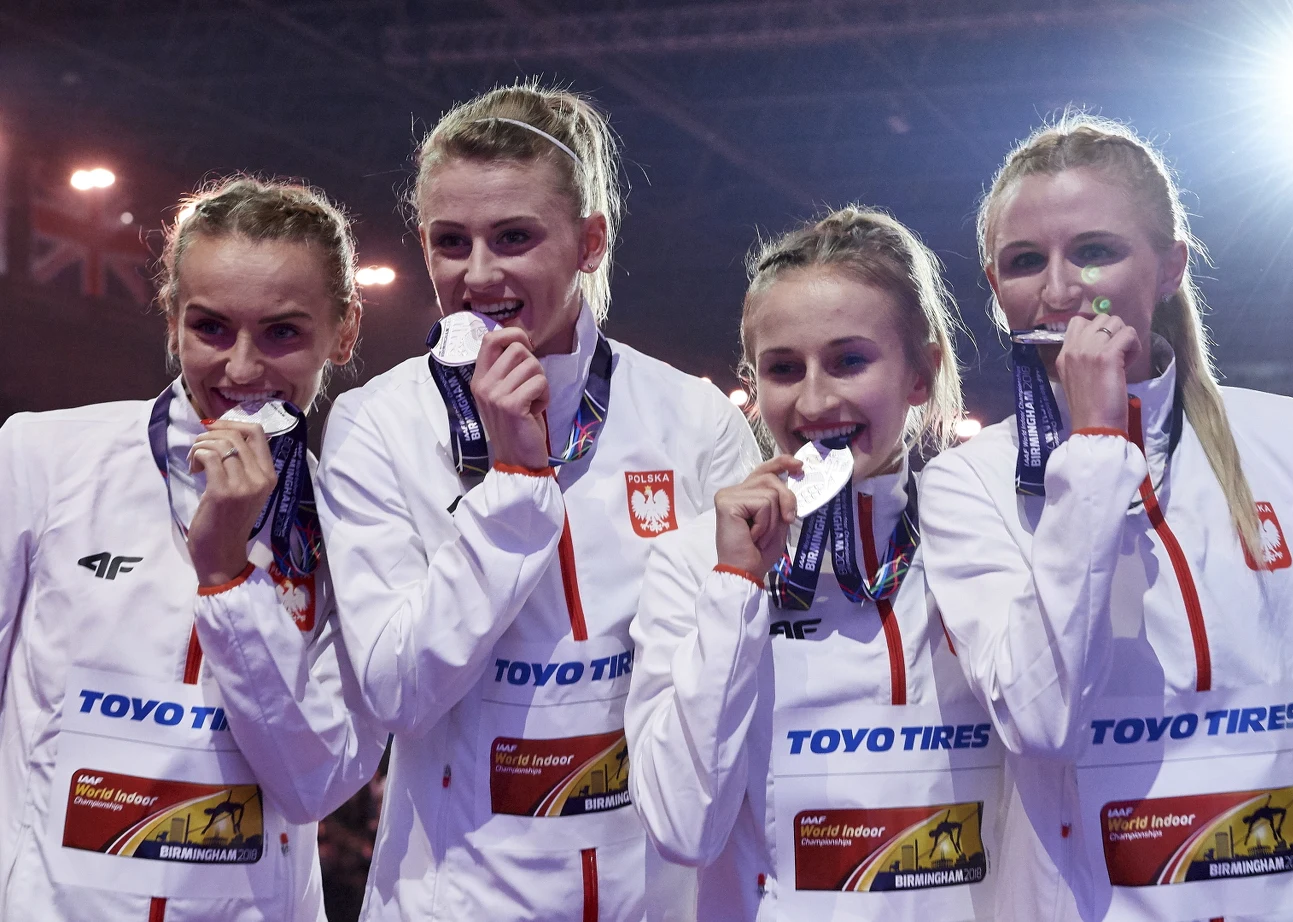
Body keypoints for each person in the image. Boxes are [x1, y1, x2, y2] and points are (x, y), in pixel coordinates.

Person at [315, 82, 758, 922]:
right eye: (451, 242)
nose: (478, 276)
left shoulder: (692, 420)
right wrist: (514, 487)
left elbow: (723, 683)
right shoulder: (378, 423)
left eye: (514, 237)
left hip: (656, 896)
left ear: (589, 241)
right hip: (453, 897)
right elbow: (395, 692)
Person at [919, 113, 1293, 922]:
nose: (1058, 289)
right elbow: (1044, 721)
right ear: (994, 290)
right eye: (1026, 262)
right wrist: (1093, 447)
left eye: (1094, 250)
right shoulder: (966, 484)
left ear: (1169, 267)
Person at [0, 176, 386, 921]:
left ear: (344, 332)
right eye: (211, 327)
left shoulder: (359, 519)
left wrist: (227, 579)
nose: (241, 371)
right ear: (172, 316)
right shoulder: (42, 458)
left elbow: (319, 782)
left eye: (282, 333)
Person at [626, 206, 1006, 921]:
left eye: (849, 360)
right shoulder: (691, 562)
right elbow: (683, 827)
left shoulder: (984, 544)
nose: (813, 399)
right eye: (782, 369)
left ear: (922, 374)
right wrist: (736, 584)